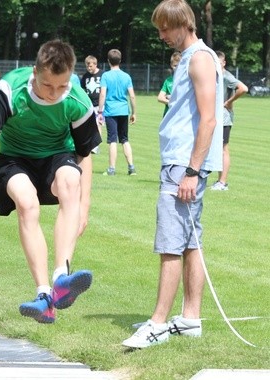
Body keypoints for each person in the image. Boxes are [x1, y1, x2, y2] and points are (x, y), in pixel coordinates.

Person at [0, 40, 101, 324]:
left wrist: (83, 206)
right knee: (27, 202)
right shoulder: (11, 89)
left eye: (61, 86)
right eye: (47, 85)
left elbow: (84, 155)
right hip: (14, 160)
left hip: (56, 158)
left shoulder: (77, 99)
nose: (54, 94)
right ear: (35, 73)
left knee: (69, 180)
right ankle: (43, 297)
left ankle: (61, 278)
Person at [122, 0, 223, 349]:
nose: (162, 35)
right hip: (183, 161)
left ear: (184, 24)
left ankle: (158, 323)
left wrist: (192, 171)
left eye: (166, 28)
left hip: (185, 164)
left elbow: (209, 119)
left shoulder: (199, 58)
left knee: (169, 243)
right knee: (190, 242)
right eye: (159, 29)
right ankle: (190, 319)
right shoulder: (192, 58)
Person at [210, 51, 248, 191]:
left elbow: (243, 88)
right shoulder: (217, 76)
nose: (216, 65)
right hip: (217, 117)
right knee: (218, 148)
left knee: (223, 149)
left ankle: (223, 182)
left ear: (224, 63)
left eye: (218, 63)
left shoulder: (226, 76)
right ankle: (219, 180)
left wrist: (228, 102)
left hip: (224, 118)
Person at [97, 49, 137, 176]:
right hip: (123, 111)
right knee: (125, 139)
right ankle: (131, 168)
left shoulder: (106, 76)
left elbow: (103, 94)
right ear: (120, 61)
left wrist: (99, 111)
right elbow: (132, 96)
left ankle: (112, 169)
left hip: (111, 111)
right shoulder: (126, 76)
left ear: (108, 61)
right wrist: (134, 112)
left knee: (112, 140)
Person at [80, 55, 104, 154]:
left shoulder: (103, 75)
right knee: (90, 126)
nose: (88, 68)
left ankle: (96, 146)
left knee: (99, 123)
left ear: (95, 64)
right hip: (89, 104)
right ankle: (90, 143)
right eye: (87, 66)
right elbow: (82, 90)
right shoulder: (85, 76)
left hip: (100, 104)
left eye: (90, 66)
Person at [157, 51, 182, 117]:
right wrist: (172, 102)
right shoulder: (168, 81)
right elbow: (160, 98)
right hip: (167, 114)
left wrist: (170, 97)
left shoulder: (186, 79)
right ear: (171, 65)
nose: (177, 68)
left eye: (179, 66)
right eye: (175, 66)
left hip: (180, 115)